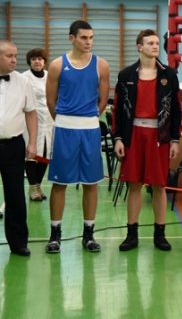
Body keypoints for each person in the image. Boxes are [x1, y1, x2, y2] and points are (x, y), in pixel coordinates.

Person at [112, 29, 182, 252]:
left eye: (156, 43)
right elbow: (117, 110)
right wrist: (118, 138)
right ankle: (131, 234)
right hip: (133, 134)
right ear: (139, 47)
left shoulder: (169, 75)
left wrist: (175, 139)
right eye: (150, 43)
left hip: (159, 136)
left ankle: (159, 234)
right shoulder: (126, 75)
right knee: (134, 184)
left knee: (159, 186)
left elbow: (177, 110)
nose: (155, 46)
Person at [45, 20, 110, 253]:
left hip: (90, 129)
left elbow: (103, 100)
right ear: (72, 38)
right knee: (60, 183)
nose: (88, 42)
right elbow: (50, 100)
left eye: (91, 37)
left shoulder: (101, 65)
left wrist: (88, 118)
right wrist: (66, 120)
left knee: (91, 183)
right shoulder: (56, 65)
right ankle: (55, 235)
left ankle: (89, 234)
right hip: (64, 128)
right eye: (84, 37)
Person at [0, 40, 36, 256]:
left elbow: (30, 112)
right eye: (9, 56)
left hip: (13, 145)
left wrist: (32, 142)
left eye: (15, 55)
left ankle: (18, 242)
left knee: (15, 194)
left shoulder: (23, 82)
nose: (14, 60)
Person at [23, 48, 54, 201]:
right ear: (29, 62)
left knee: (45, 155)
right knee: (31, 155)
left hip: (49, 122)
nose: (37, 62)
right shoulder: (24, 78)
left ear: (44, 61)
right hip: (31, 122)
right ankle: (32, 188)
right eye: (34, 59)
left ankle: (38, 185)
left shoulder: (50, 76)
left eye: (40, 59)